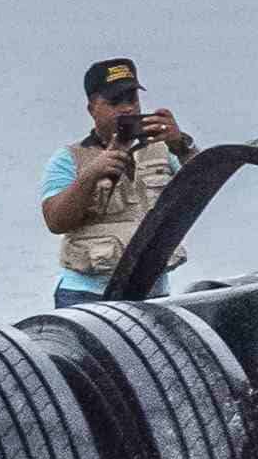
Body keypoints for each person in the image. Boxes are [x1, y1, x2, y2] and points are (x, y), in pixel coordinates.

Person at [44, 54, 186, 301]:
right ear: (92, 109)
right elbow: (55, 221)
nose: (127, 108)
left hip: (153, 291)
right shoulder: (68, 158)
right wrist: (90, 176)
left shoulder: (163, 150)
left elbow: (203, 187)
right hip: (87, 294)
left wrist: (182, 145)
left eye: (132, 99)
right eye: (115, 101)